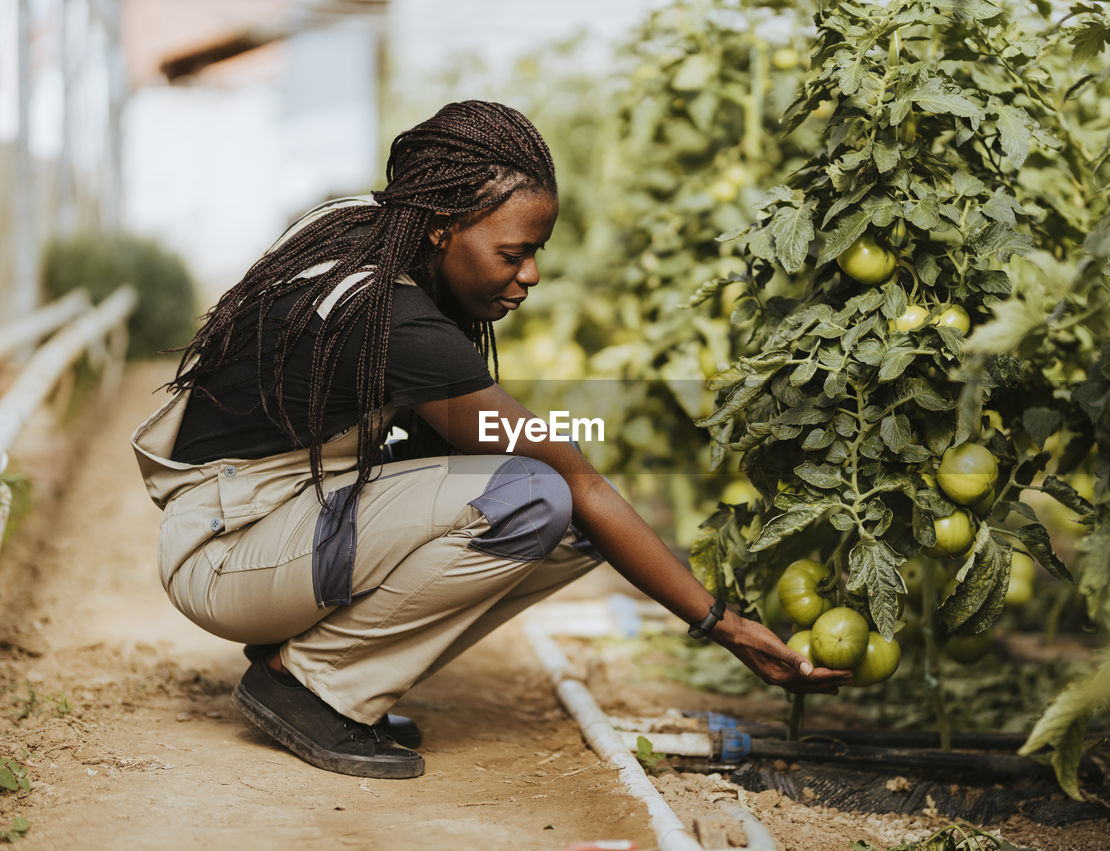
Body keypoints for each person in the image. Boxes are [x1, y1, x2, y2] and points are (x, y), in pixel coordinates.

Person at [130, 100, 853, 780]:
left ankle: (319, 660)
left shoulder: (371, 237)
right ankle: (311, 682)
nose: (531, 273)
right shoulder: (396, 324)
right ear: (442, 225)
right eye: (515, 252)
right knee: (539, 497)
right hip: (227, 553)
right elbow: (578, 479)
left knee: (567, 524)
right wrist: (725, 625)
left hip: (259, 525)